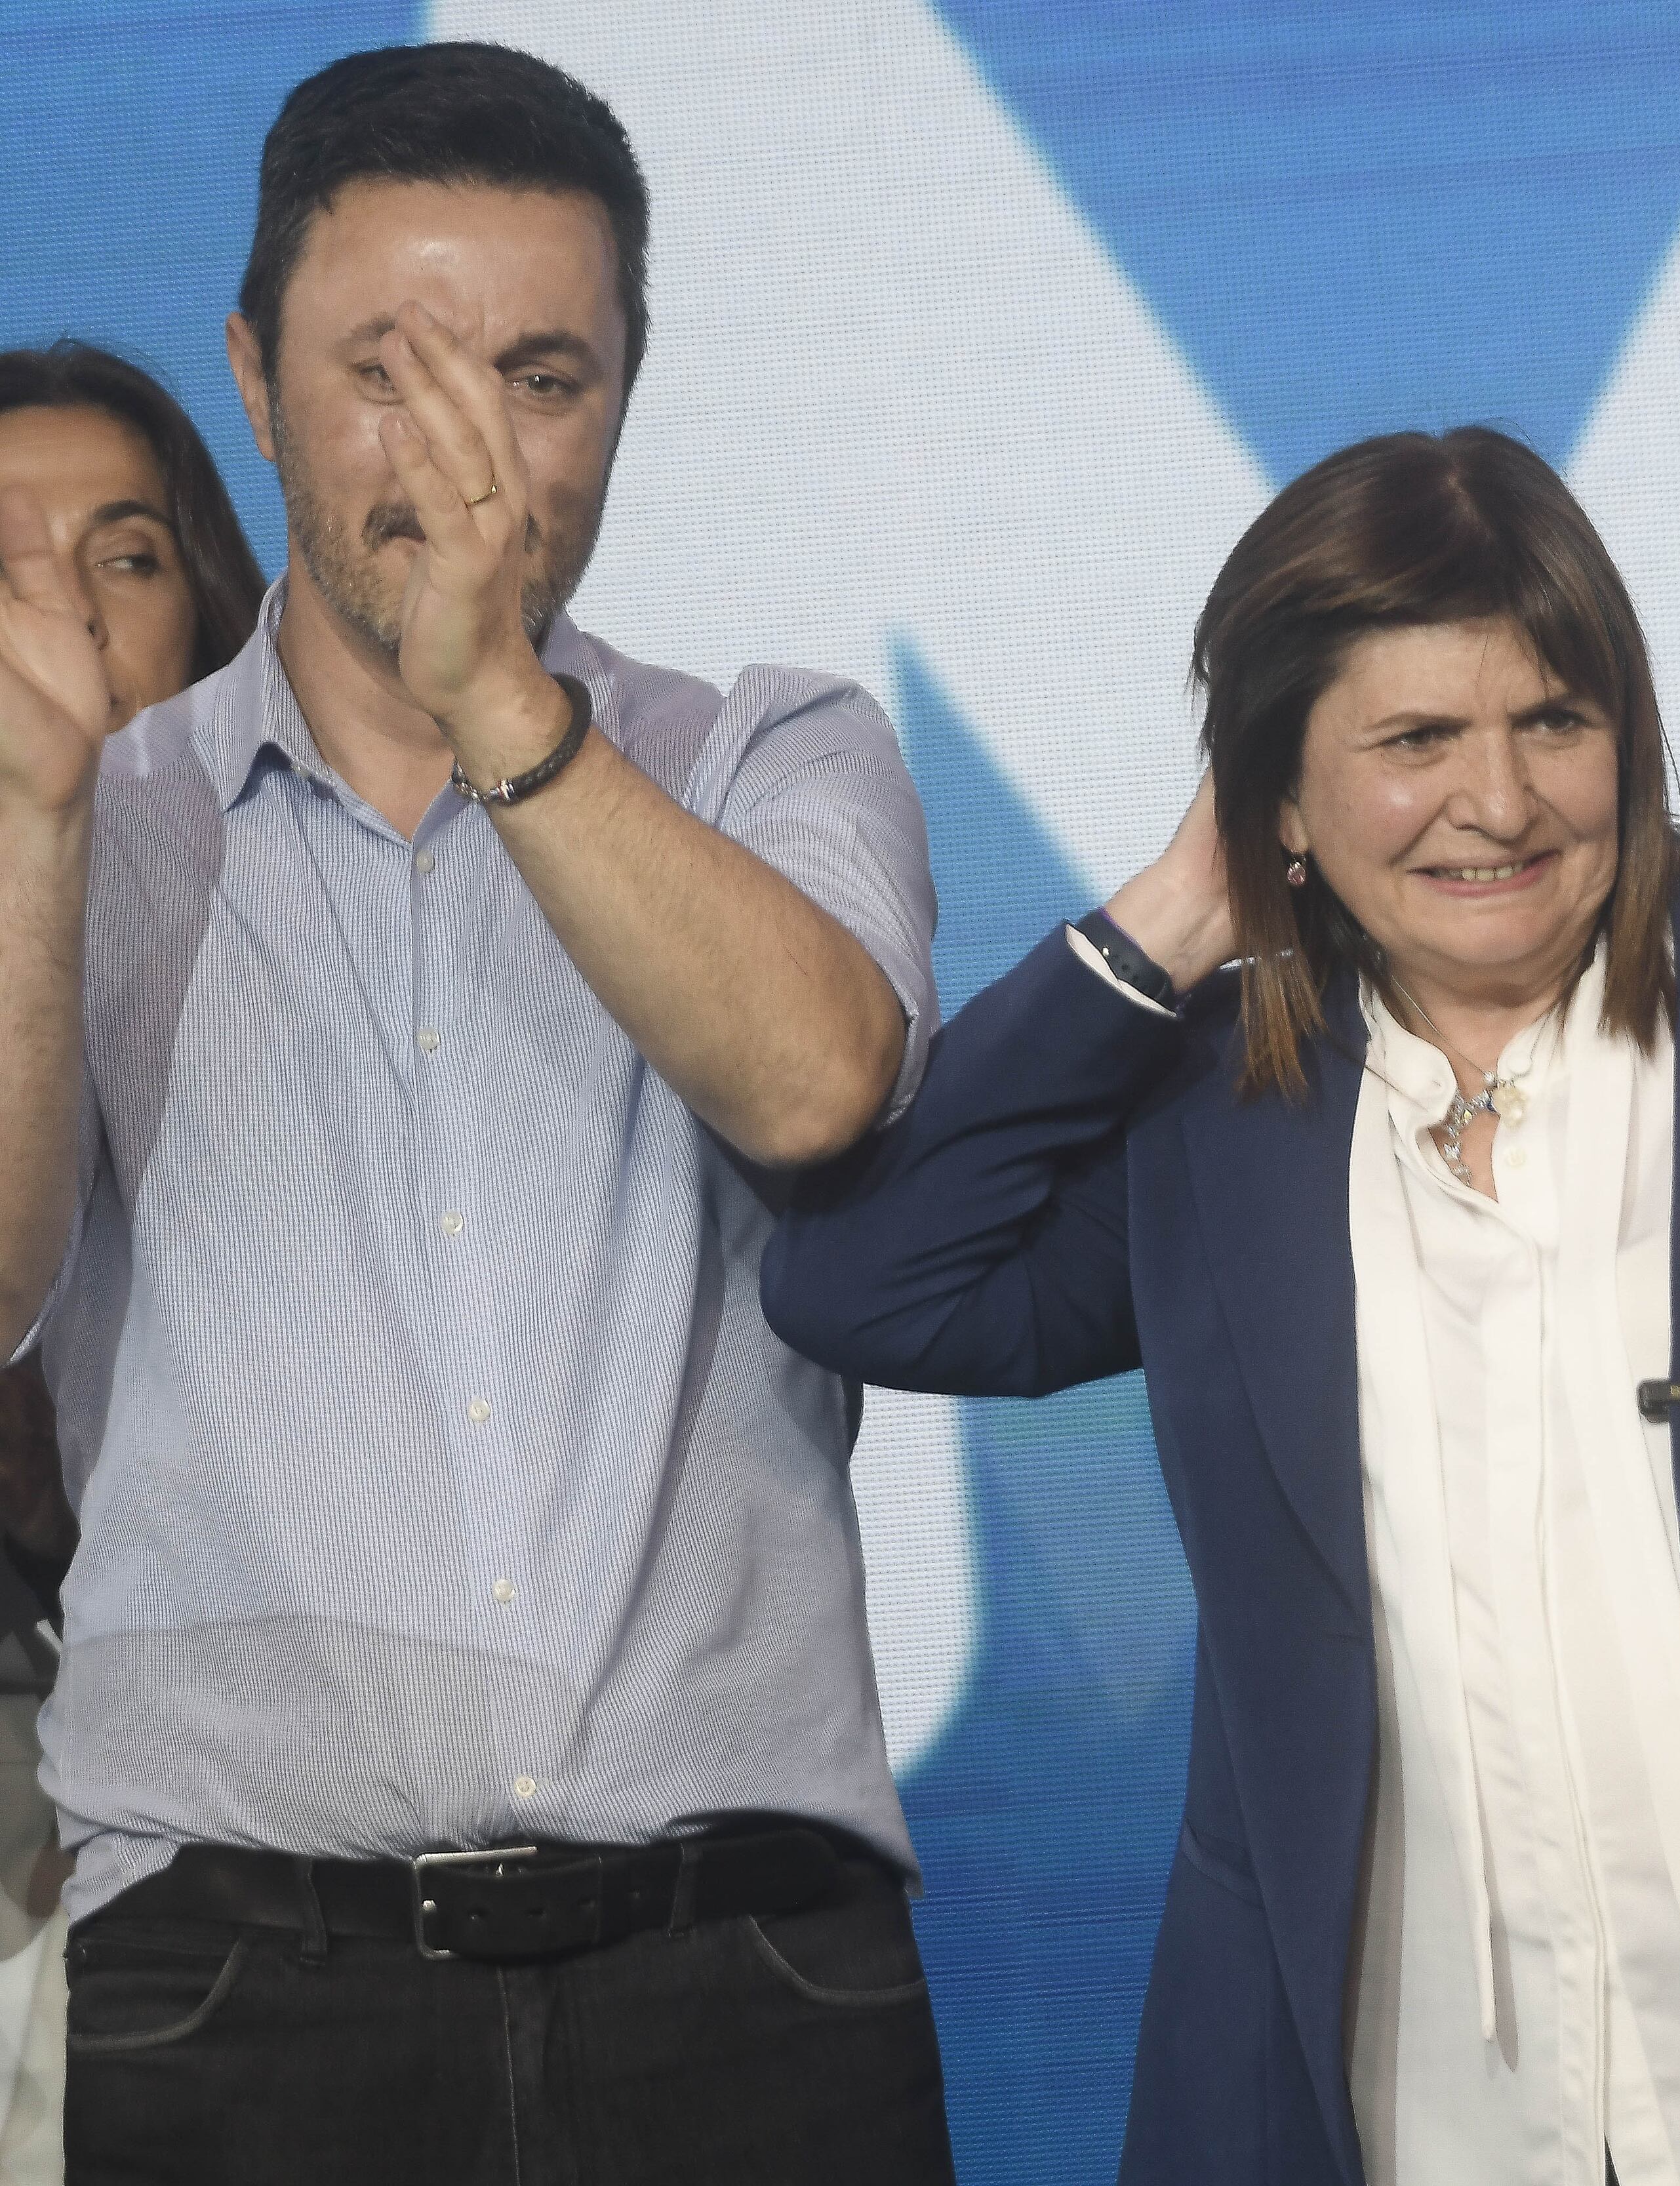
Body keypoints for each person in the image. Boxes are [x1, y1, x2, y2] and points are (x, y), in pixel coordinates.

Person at [759, 426, 1680, 2186]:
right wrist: (1176, 911)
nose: (1502, 800)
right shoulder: (1214, 1122)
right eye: (1413, 742)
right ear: (1280, 797)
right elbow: (868, 1277)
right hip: (1408, 2119)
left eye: (1552, 720)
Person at [0, 45, 952, 2185]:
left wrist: (495, 688)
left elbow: (814, 1083)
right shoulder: (88, 821)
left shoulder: (765, 752)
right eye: (385, 375)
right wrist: (38, 832)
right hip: (246, 1984)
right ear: (249, 378)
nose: (463, 456)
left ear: (631, 384)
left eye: (541, 378)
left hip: (750, 1972)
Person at [0, 336, 267, 2184]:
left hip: (232, 1816)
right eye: (5, 557)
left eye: (126, 551)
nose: (68, 610)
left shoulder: (309, 915)